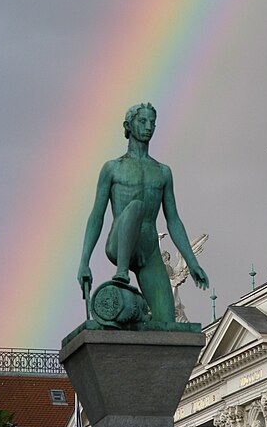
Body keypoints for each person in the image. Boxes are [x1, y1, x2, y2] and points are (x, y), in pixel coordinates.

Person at [77, 102, 209, 322]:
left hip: (148, 250)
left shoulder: (163, 172)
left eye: (152, 123)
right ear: (128, 126)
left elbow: (173, 220)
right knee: (136, 205)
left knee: (167, 321)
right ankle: (122, 273)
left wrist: (192, 262)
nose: (149, 127)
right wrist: (84, 262)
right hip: (119, 245)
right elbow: (96, 217)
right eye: (142, 121)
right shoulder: (112, 168)